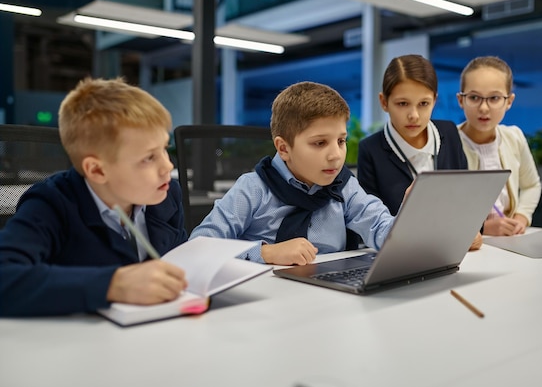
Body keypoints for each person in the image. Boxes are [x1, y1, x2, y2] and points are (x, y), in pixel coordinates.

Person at [0, 77, 188, 317]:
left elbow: (179, 261)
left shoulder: (165, 194)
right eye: (149, 158)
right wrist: (113, 285)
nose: (167, 166)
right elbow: (5, 276)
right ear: (97, 170)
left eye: (164, 148)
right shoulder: (52, 203)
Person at [190, 81, 396, 265]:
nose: (336, 155)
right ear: (284, 148)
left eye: (341, 141)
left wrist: (411, 220)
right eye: (320, 143)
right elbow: (199, 246)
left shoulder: (344, 185)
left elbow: (380, 226)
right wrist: (265, 252)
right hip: (265, 296)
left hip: (330, 290)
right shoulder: (253, 189)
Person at [357, 54, 481, 250]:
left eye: (423, 104)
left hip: (453, 251)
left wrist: (471, 230)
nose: (414, 115)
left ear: (434, 100)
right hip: (403, 253)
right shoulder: (370, 150)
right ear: (384, 102)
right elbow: (369, 224)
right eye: (402, 104)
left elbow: (466, 199)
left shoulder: (449, 133)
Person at [456, 56, 541, 236]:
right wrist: (483, 228)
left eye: (494, 98)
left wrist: (521, 217)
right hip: (464, 243)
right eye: (474, 97)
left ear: (509, 101)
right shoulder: (447, 142)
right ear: (461, 100)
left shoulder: (514, 137)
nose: (484, 108)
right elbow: (442, 205)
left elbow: (531, 185)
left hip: (510, 239)